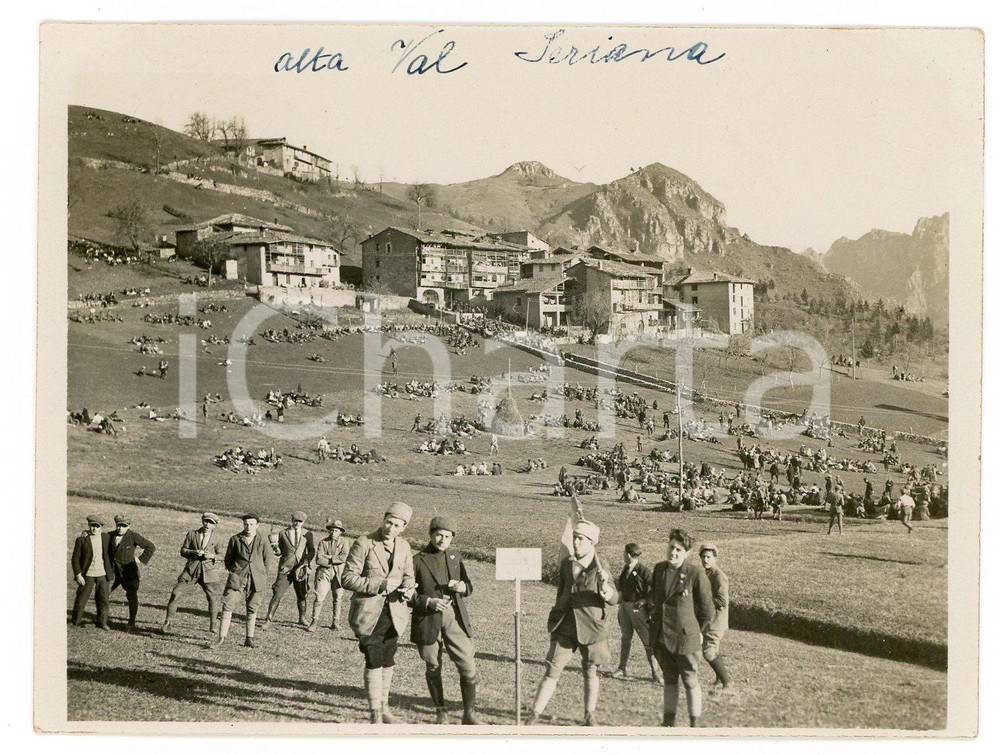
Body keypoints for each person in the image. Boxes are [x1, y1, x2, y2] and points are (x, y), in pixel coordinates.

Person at [526, 520, 618, 727]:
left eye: (581, 539)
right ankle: (534, 714)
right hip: (566, 626)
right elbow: (561, 592)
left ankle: (589, 715)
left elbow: (614, 598)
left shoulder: (601, 567)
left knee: (591, 671)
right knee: (552, 669)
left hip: (591, 627)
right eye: (575, 538)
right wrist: (556, 613)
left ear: (591, 543)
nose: (576, 542)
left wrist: (605, 589)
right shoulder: (567, 564)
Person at [341, 502, 416, 724]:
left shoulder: (404, 547)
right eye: (388, 522)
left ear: (404, 527)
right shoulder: (364, 543)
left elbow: (409, 575)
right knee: (373, 658)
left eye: (397, 525)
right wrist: (379, 585)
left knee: (388, 658)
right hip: (369, 614)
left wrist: (409, 588)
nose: (390, 528)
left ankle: (384, 708)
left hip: (394, 613)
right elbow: (347, 578)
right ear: (383, 519)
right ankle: (375, 713)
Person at [410, 515, 479, 725]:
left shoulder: (455, 557)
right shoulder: (417, 560)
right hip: (427, 619)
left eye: (447, 537)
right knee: (433, 665)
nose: (442, 540)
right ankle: (441, 711)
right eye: (439, 535)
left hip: (453, 617)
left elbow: (468, 585)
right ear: (431, 535)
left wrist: (463, 587)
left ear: (452, 538)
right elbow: (407, 594)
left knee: (468, 664)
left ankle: (469, 714)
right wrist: (427, 602)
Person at [649, 528, 714, 727]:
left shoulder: (695, 573)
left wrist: (697, 630)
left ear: (687, 553)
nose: (673, 553)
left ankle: (695, 723)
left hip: (686, 640)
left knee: (689, 680)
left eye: (678, 550)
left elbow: (707, 610)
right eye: (671, 547)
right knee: (669, 680)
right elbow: (655, 600)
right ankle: (668, 722)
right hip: (662, 638)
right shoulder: (659, 570)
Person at [211, 513, 275, 649]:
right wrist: (235, 571)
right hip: (238, 578)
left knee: (252, 607)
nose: (248, 527)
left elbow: (267, 561)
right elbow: (228, 560)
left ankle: (249, 639)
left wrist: (260, 573)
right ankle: (221, 638)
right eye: (246, 524)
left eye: (252, 524)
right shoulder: (235, 539)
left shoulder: (263, 540)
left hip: (257, 579)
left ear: (257, 525)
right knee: (227, 605)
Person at [163, 512, 224, 634]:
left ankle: (213, 625)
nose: (207, 524)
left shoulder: (218, 538)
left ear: (215, 525)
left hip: (208, 572)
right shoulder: (192, 534)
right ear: (202, 521)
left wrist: (211, 556)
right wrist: (194, 552)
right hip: (191, 571)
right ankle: (167, 623)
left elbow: (221, 555)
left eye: (211, 523)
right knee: (176, 593)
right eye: (206, 521)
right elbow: (183, 551)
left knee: (213, 598)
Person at [611, 543, 662, 683]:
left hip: (637, 610)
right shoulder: (626, 569)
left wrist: (645, 600)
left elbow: (657, 587)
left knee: (647, 641)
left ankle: (656, 672)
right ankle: (622, 668)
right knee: (625, 638)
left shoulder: (643, 570)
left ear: (628, 555)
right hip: (624, 608)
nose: (623, 555)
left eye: (624, 553)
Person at [261, 511, 316, 629]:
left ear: (303, 522)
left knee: (302, 594)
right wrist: (276, 548)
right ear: (292, 520)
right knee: (277, 593)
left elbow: (312, 550)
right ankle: (268, 619)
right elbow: (280, 552)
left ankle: (302, 618)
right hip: (285, 569)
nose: (297, 523)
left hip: (300, 570)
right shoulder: (283, 533)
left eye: (300, 521)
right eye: (295, 521)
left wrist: (306, 560)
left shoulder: (308, 534)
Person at [108, 513, 157, 630]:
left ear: (129, 526)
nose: (120, 528)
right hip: (112, 571)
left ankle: (131, 621)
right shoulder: (109, 535)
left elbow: (150, 547)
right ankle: (102, 619)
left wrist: (140, 559)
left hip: (129, 572)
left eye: (124, 526)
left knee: (132, 596)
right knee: (104, 593)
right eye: (118, 525)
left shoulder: (134, 536)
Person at [699, 543, 734, 695]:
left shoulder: (719, 575)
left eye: (708, 557)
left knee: (708, 651)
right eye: (703, 557)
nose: (705, 560)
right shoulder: (707, 573)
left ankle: (728, 684)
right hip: (710, 620)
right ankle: (720, 679)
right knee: (712, 650)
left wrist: (703, 601)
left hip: (716, 621)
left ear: (715, 558)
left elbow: (722, 601)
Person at [71, 514, 114, 629]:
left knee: (103, 599)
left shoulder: (107, 537)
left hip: (103, 574)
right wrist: (78, 574)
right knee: (81, 599)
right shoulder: (82, 539)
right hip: (87, 574)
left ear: (101, 527)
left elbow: (118, 535)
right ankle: (76, 621)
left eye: (97, 526)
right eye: (91, 525)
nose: (94, 528)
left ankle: (102, 622)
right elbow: (75, 558)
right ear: (88, 526)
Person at [308, 518, 349, 632]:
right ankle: (314, 622)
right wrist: (334, 560)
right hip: (324, 573)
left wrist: (330, 557)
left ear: (340, 532)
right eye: (332, 530)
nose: (333, 533)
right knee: (319, 597)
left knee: (338, 598)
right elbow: (319, 560)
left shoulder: (344, 542)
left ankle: (335, 622)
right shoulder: (323, 542)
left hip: (338, 574)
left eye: (336, 531)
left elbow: (344, 557)